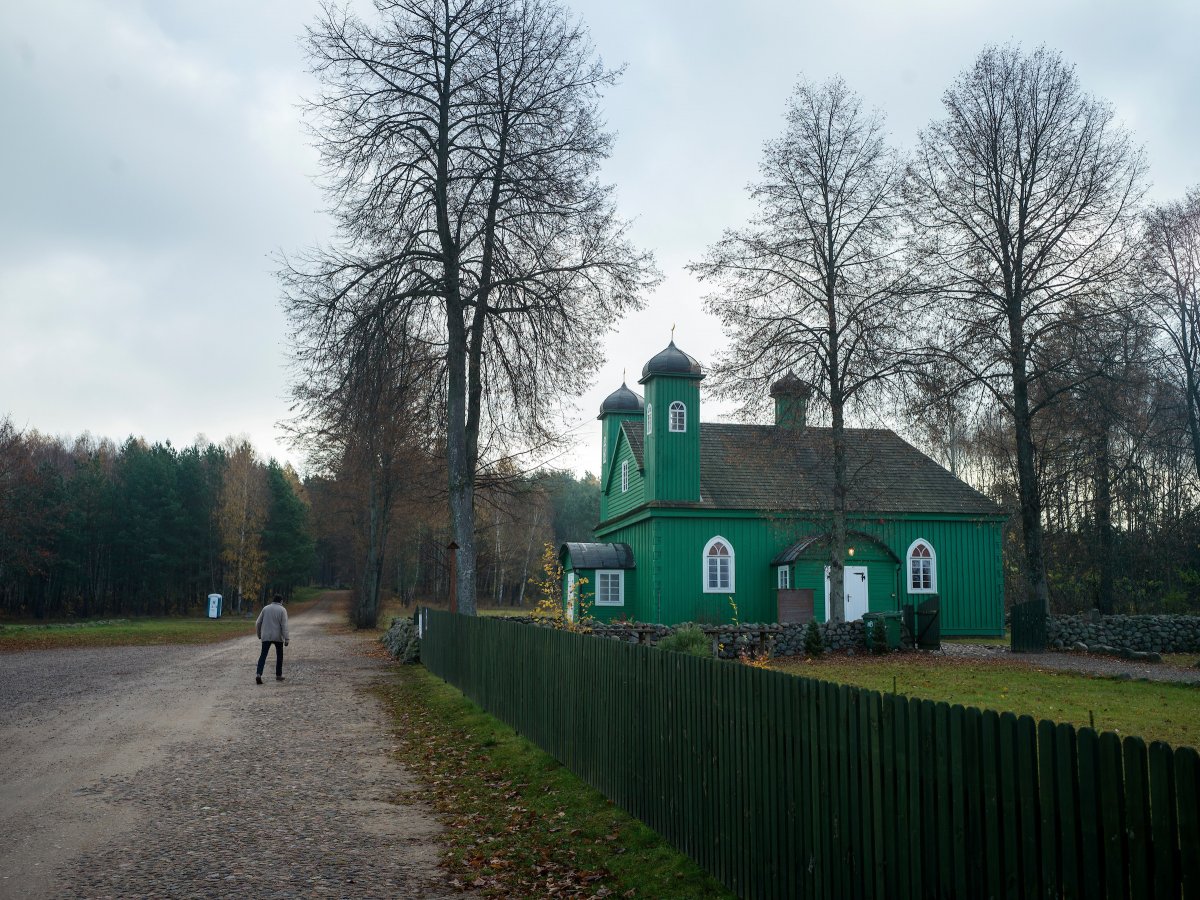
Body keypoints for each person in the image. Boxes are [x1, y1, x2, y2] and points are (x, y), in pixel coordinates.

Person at [254, 595, 290, 684]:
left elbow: (258, 622)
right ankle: (278, 675)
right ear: (281, 601)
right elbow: (284, 625)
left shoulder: (265, 608)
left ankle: (259, 674)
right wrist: (287, 638)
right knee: (279, 656)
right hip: (278, 637)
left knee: (263, 655)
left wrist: (259, 634)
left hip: (266, 636)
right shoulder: (282, 610)